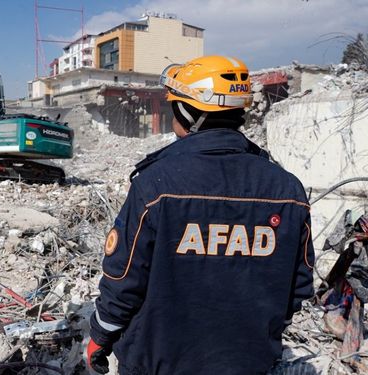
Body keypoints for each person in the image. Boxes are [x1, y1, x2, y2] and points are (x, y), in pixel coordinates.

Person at [87, 55, 314, 375]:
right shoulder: (289, 190)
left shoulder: (156, 185)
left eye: (173, 106)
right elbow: (298, 287)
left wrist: (100, 336)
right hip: (248, 363)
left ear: (188, 112)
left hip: (158, 362)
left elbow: (124, 279)